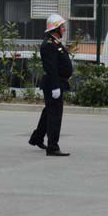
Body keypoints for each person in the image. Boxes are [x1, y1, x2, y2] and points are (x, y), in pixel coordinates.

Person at [28, 14, 73, 156]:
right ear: (55, 28)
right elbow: (51, 68)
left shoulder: (55, 42)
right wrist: (55, 87)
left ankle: (37, 138)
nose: (64, 29)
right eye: (62, 27)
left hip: (57, 82)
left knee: (49, 111)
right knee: (55, 115)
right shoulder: (48, 45)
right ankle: (52, 147)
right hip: (53, 84)